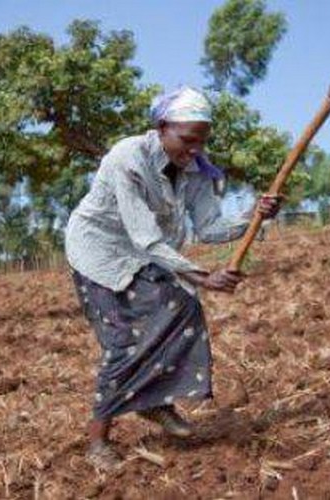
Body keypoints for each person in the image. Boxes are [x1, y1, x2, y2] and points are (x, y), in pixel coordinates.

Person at [65, 86, 281, 470]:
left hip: (142, 253)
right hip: (98, 254)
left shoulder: (195, 168)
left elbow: (210, 227)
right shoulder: (127, 157)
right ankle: (98, 443)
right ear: (162, 127)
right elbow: (145, 238)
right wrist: (202, 276)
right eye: (187, 139)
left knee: (181, 307)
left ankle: (155, 401)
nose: (195, 149)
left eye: (201, 141)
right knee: (122, 343)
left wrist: (255, 214)